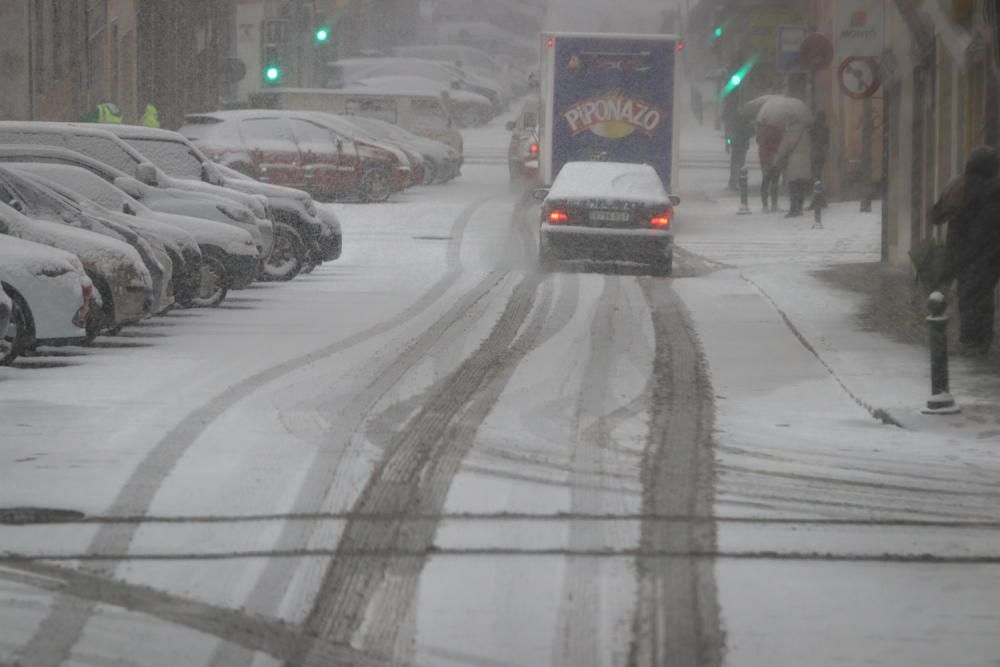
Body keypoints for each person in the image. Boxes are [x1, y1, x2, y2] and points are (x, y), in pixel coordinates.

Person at [931, 145, 1000, 355]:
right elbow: (988, 227)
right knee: (981, 298)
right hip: (987, 254)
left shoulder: (959, 186)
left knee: (969, 298)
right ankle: (980, 342)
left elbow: (937, 215)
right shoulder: (993, 189)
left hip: (964, 253)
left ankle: (972, 343)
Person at [775, 112, 814, 218]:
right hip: (805, 162)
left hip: (793, 163)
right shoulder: (806, 132)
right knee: (801, 186)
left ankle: (794, 209)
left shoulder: (790, 133)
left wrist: (776, 160)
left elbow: (783, 149)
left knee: (793, 186)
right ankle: (800, 207)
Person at [756, 118, 783, 211]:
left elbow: (758, 142)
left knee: (765, 182)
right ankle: (774, 204)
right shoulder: (777, 131)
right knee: (774, 182)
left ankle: (765, 205)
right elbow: (778, 144)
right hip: (774, 158)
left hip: (764, 159)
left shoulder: (761, 131)